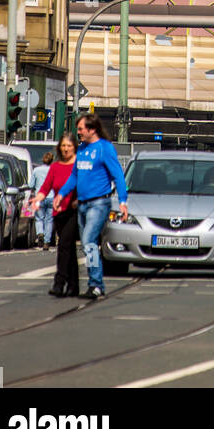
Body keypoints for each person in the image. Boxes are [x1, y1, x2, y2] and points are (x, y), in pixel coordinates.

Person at [53, 114, 128, 301]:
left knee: (88, 242)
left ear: (92, 129)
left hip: (98, 203)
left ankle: (96, 284)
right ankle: (94, 283)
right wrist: (62, 194)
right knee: (88, 245)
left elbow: (118, 175)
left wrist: (123, 201)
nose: (78, 133)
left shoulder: (104, 148)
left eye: (81, 129)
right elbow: (75, 177)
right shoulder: (83, 149)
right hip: (83, 205)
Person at [31, 134, 80, 297]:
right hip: (58, 212)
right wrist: (37, 198)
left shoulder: (80, 166)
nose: (66, 149)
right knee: (69, 249)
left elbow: (87, 186)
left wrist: (78, 200)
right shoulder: (55, 167)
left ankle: (59, 283)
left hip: (74, 212)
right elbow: (45, 187)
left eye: (69, 146)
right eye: (63, 145)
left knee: (64, 245)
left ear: (74, 147)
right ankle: (74, 285)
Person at [31, 153, 55, 250]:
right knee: (49, 220)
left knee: (39, 218)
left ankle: (40, 233)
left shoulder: (36, 170)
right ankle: (47, 241)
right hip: (51, 197)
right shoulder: (54, 170)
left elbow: (31, 184)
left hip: (39, 197)